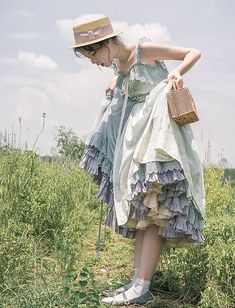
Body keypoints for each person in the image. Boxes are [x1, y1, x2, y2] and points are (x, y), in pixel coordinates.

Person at [70, 16, 206, 306]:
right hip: (137, 139)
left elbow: (192, 52)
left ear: (106, 43)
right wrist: (116, 81)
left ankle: (141, 286)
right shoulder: (120, 66)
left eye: (93, 55)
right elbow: (128, 82)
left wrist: (178, 72)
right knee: (146, 214)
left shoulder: (144, 50)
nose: (94, 63)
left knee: (155, 211)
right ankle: (137, 283)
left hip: (158, 140)